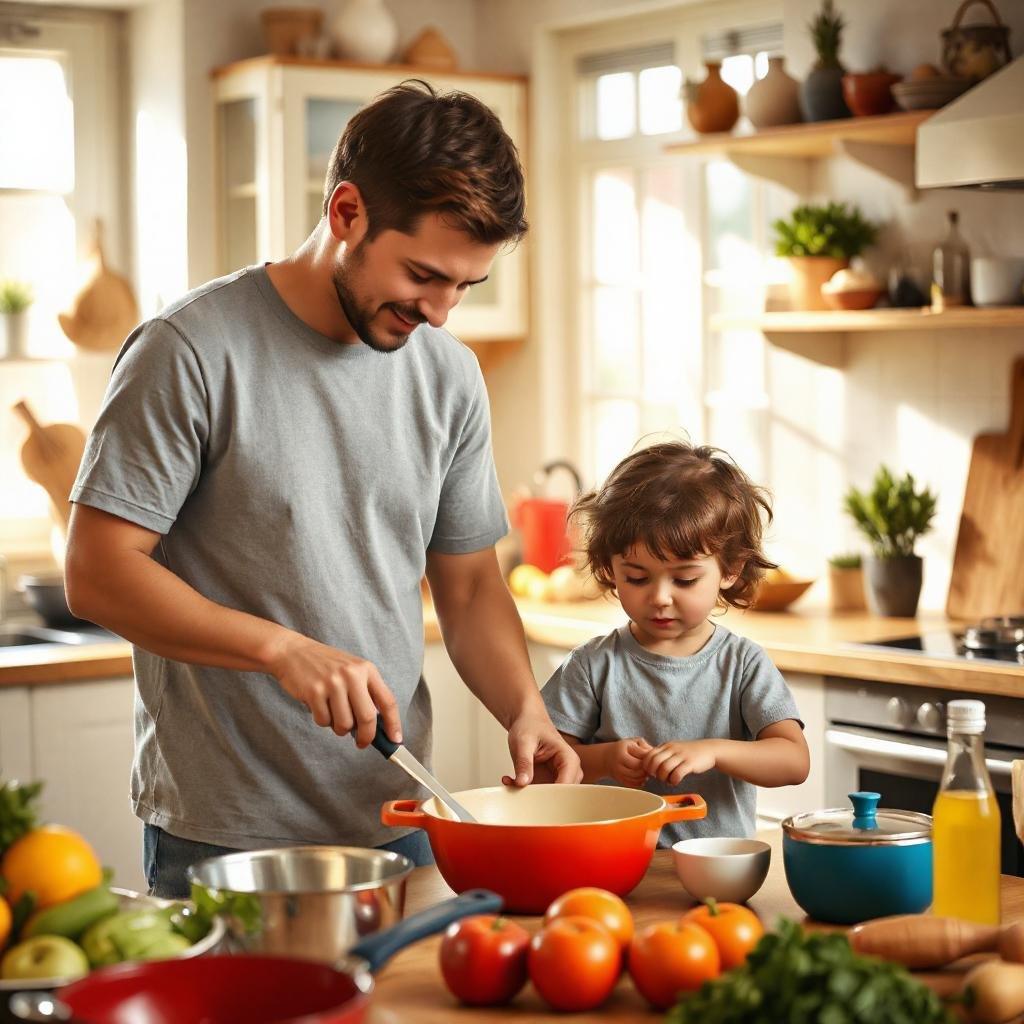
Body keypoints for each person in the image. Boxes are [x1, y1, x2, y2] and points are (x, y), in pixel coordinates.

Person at [64, 80, 581, 898]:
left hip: (398, 817)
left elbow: (473, 586)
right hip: (222, 834)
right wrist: (281, 650)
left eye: (464, 287)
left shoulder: (449, 377)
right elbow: (96, 572)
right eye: (423, 275)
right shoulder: (190, 350)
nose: (442, 312)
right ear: (347, 214)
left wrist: (525, 709)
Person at [541, 441, 809, 844]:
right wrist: (604, 759)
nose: (661, 597)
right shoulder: (592, 665)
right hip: (609, 868)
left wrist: (713, 752)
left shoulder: (743, 664)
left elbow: (794, 761)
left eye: (684, 580)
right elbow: (544, 767)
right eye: (636, 577)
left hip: (715, 877)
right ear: (608, 568)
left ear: (731, 569)